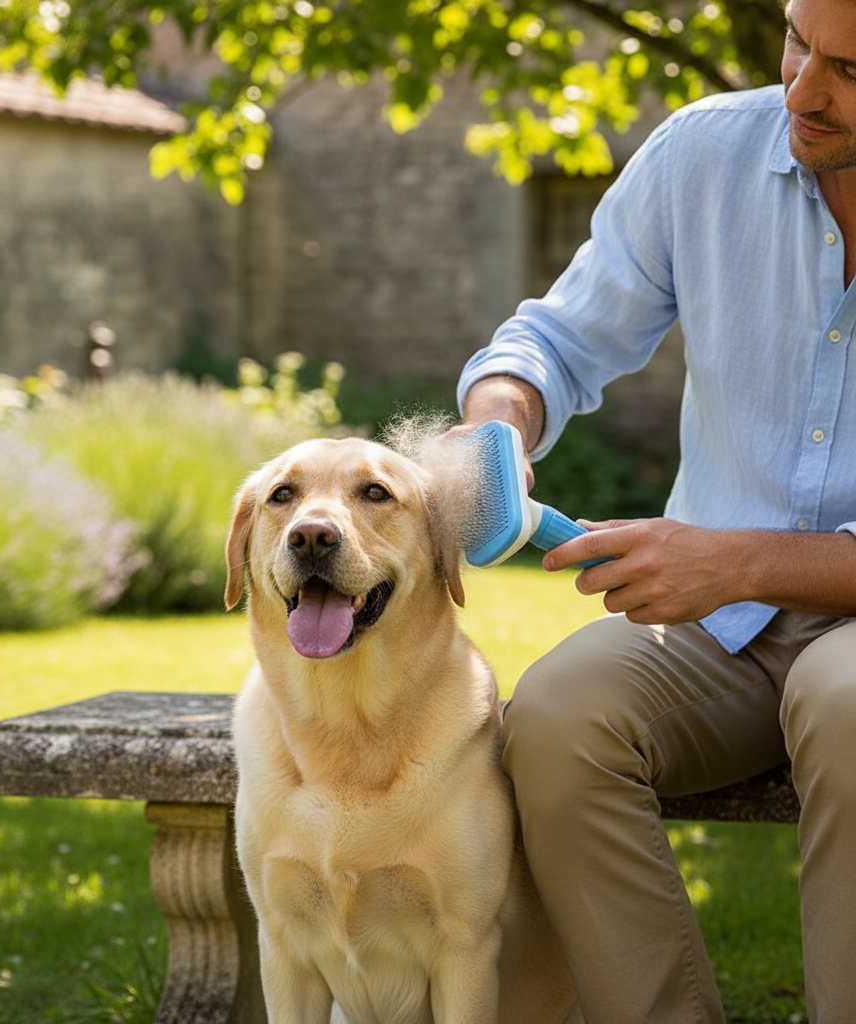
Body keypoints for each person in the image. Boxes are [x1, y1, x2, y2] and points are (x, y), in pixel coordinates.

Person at [455, 0, 856, 1021]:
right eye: (797, 41)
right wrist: (499, 419)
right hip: (717, 634)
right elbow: (558, 337)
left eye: (850, 71)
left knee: (844, 704)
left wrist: (739, 564)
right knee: (553, 719)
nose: (803, 92)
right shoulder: (703, 154)